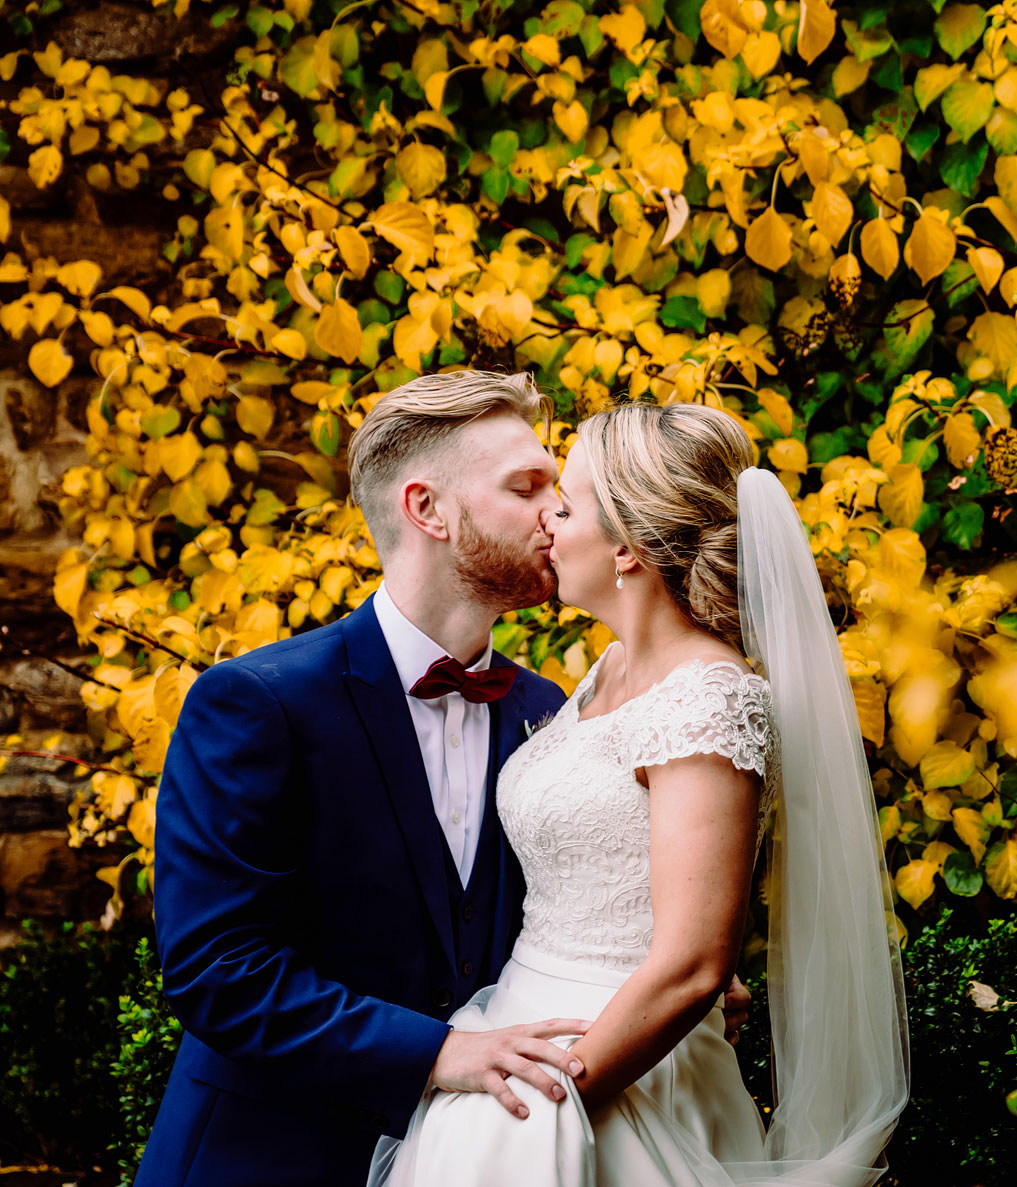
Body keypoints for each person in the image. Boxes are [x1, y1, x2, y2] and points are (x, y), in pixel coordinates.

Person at [137, 372, 753, 1186]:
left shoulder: (553, 713)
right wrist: (440, 1053)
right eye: (528, 486)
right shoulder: (259, 703)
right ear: (429, 510)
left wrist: (673, 967)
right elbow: (214, 964)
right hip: (272, 1151)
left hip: (515, 1143)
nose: (555, 513)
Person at [370, 400, 911, 1186]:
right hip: (521, 1022)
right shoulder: (602, 675)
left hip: (617, 1071)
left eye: (568, 502)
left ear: (626, 544)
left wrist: (550, 1103)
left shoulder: (711, 695)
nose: (547, 521)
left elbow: (693, 962)